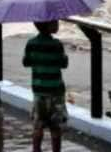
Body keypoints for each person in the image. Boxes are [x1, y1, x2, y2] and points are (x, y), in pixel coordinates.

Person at [23, 20, 69, 152]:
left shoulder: (31, 43)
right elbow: (63, 64)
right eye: (55, 21)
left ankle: (36, 150)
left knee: (38, 125)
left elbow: (26, 62)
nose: (58, 23)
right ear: (48, 25)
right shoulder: (57, 44)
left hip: (39, 91)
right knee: (56, 127)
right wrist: (64, 57)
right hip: (56, 92)